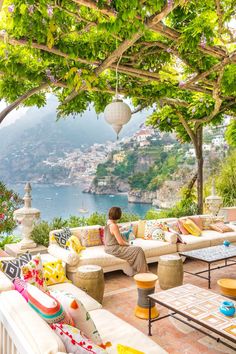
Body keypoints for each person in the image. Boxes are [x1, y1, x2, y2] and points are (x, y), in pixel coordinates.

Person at [104, 206, 148, 275]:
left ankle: (140, 270)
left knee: (135, 250)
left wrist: (118, 228)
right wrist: (130, 245)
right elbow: (120, 242)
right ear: (118, 215)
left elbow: (111, 234)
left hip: (108, 248)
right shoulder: (114, 226)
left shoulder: (108, 223)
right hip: (114, 249)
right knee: (138, 250)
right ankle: (142, 272)